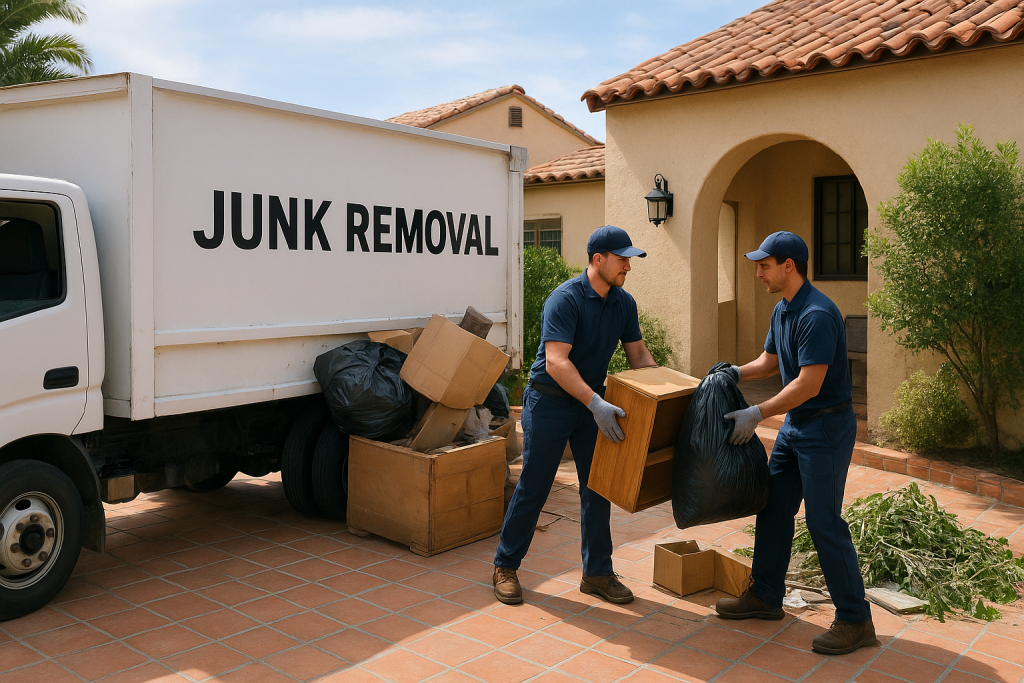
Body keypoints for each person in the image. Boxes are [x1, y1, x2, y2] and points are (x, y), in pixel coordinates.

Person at [715, 231, 875, 655]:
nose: (758, 273)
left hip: (826, 428)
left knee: (823, 522)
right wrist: (736, 372)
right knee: (773, 506)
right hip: (796, 426)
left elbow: (808, 383)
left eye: (764, 266)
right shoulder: (783, 308)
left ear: (789, 266)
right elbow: (771, 361)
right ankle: (766, 596)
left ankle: (856, 620)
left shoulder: (817, 314)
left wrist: (757, 412)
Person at [493, 225, 657, 606]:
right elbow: (556, 362)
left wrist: (665, 388)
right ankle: (505, 565)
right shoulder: (565, 299)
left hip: (590, 404)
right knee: (535, 485)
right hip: (549, 401)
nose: (628, 267)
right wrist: (596, 403)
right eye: (622, 259)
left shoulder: (623, 304)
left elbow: (638, 356)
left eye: (629, 260)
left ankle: (597, 572)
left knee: (598, 486)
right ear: (598, 259)